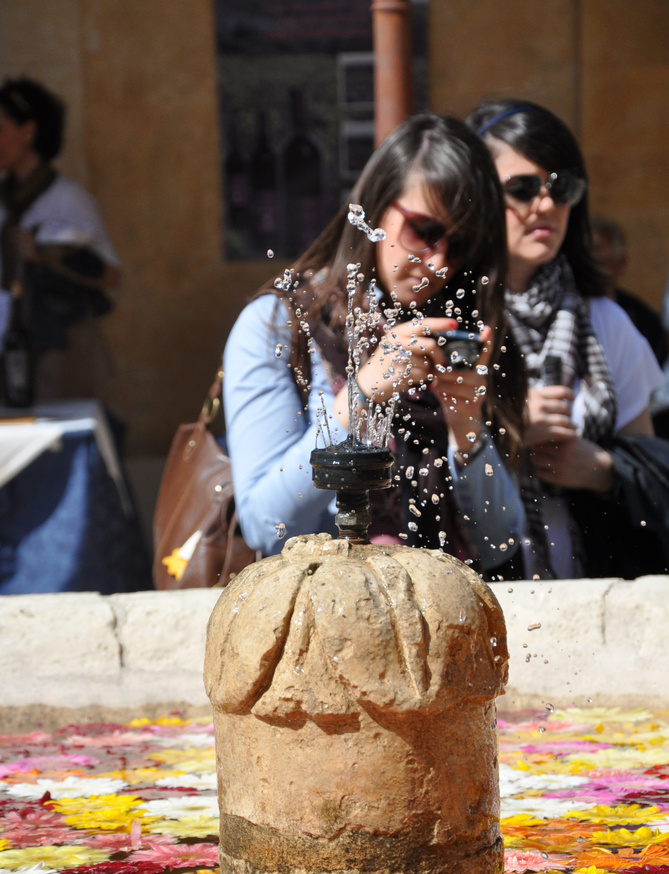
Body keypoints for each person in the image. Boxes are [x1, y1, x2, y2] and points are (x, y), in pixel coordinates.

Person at [224, 114, 528, 578]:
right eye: (423, 231)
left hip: (448, 623)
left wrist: (467, 430)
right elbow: (267, 525)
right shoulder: (279, 326)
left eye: (460, 242)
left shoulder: (466, 330)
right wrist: (360, 400)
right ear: (375, 208)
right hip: (331, 624)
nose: (439, 260)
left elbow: (502, 544)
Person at [467, 99, 667, 579]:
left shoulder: (606, 322)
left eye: (562, 186)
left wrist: (601, 469)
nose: (547, 204)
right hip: (478, 599)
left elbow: (654, 472)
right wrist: (508, 429)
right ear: (476, 196)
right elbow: (419, 465)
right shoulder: (451, 320)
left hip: (597, 597)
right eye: (522, 188)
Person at [0, 77, 120, 400]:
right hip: (0, 344)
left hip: (54, 346)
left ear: (28, 132)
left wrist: (46, 258)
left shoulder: (68, 198)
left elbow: (110, 273)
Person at [590, 215, 668, 367]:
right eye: (584, 260)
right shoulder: (559, 311)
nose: (590, 269)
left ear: (620, 263)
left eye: (599, 261)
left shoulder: (645, 322)